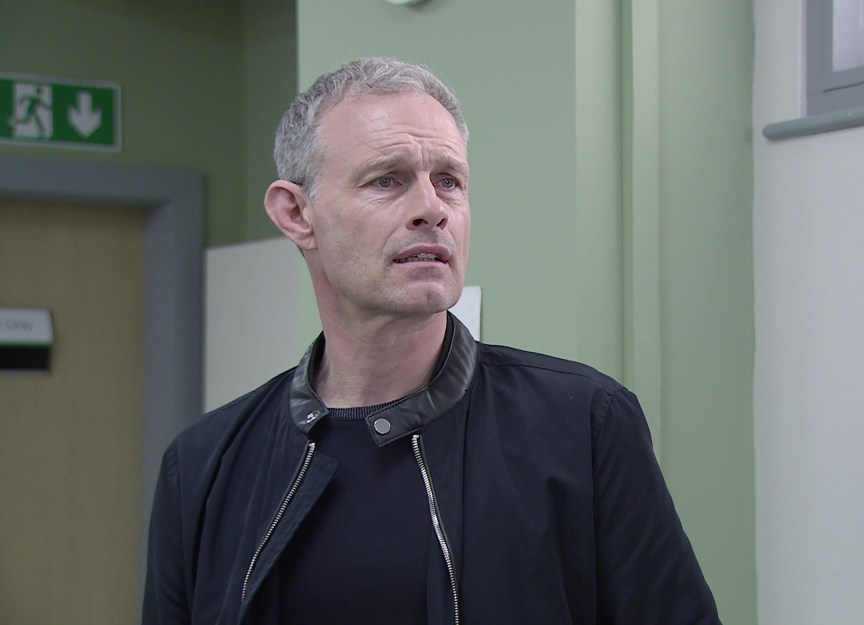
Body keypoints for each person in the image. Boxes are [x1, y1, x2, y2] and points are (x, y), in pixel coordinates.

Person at [142, 57, 721, 625]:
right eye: (387, 181)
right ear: (296, 213)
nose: (431, 209)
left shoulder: (582, 424)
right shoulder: (204, 466)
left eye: (449, 181)